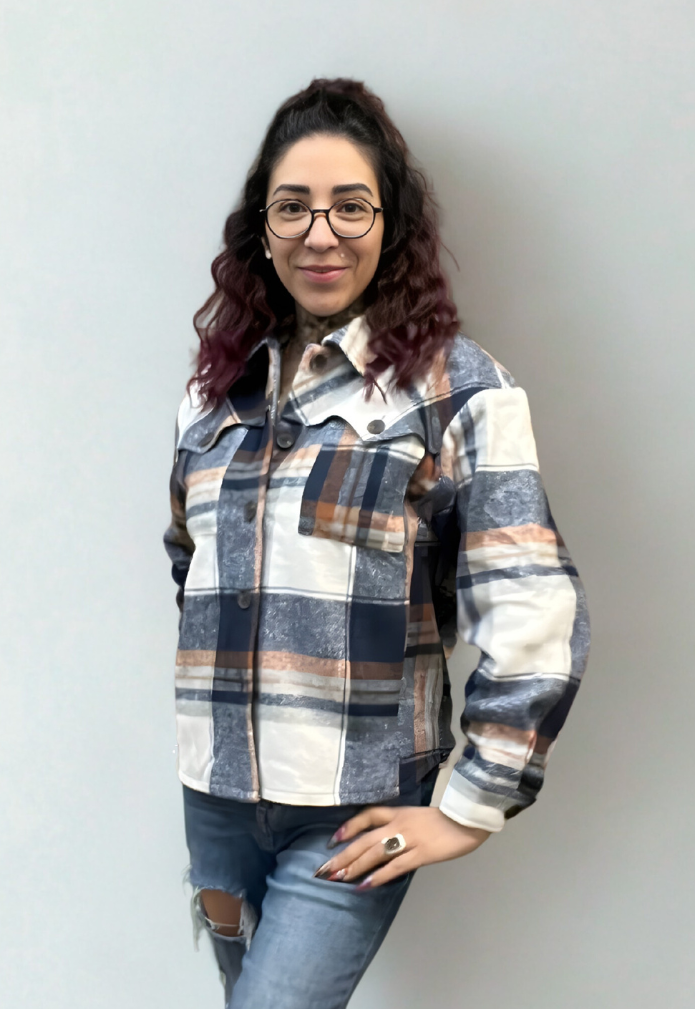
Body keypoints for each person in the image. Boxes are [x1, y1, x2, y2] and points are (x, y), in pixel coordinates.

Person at [163, 77, 590, 1009]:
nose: (321, 234)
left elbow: (534, 613)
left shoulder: (458, 392)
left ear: (389, 224)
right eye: (294, 208)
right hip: (216, 801)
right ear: (262, 230)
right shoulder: (215, 394)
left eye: (350, 207)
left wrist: (466, 811)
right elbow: (190, 562)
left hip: (349, 815)